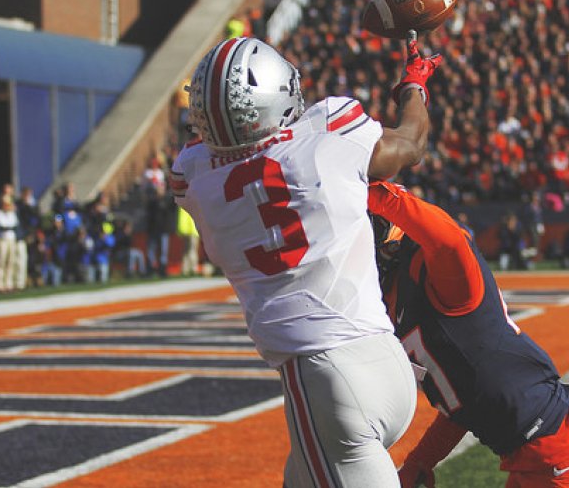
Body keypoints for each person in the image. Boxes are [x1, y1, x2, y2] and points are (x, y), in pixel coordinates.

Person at [171, 33, 441, 486]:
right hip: (381, 359)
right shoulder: (330, 128)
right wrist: (414, 84)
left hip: (324, 384)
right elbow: (410, 144)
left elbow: (210, 157)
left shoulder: (195, 180)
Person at [368, 180, 569, 488]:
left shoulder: (439, 279)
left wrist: (374, 191)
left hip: (563, 448)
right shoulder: (393, 303)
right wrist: (421, 460)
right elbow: (462, 405)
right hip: (540, 451)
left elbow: (451, 242)